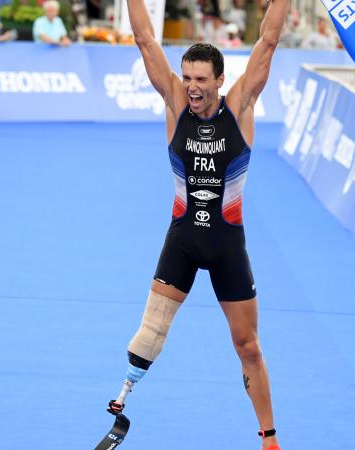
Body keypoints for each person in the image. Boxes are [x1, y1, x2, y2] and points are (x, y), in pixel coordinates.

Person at [106, 0, 289, 449]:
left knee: (247, 346)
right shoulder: (174, 104)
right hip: (183, 241)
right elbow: (146, 40)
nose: (191, 87)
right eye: (186, 77)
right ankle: (122, 395)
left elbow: (268, 40)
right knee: (150, 332)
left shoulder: (240, 106)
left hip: (228, 246)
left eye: (200, 79)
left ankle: (268, 438)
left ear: (220, 81)